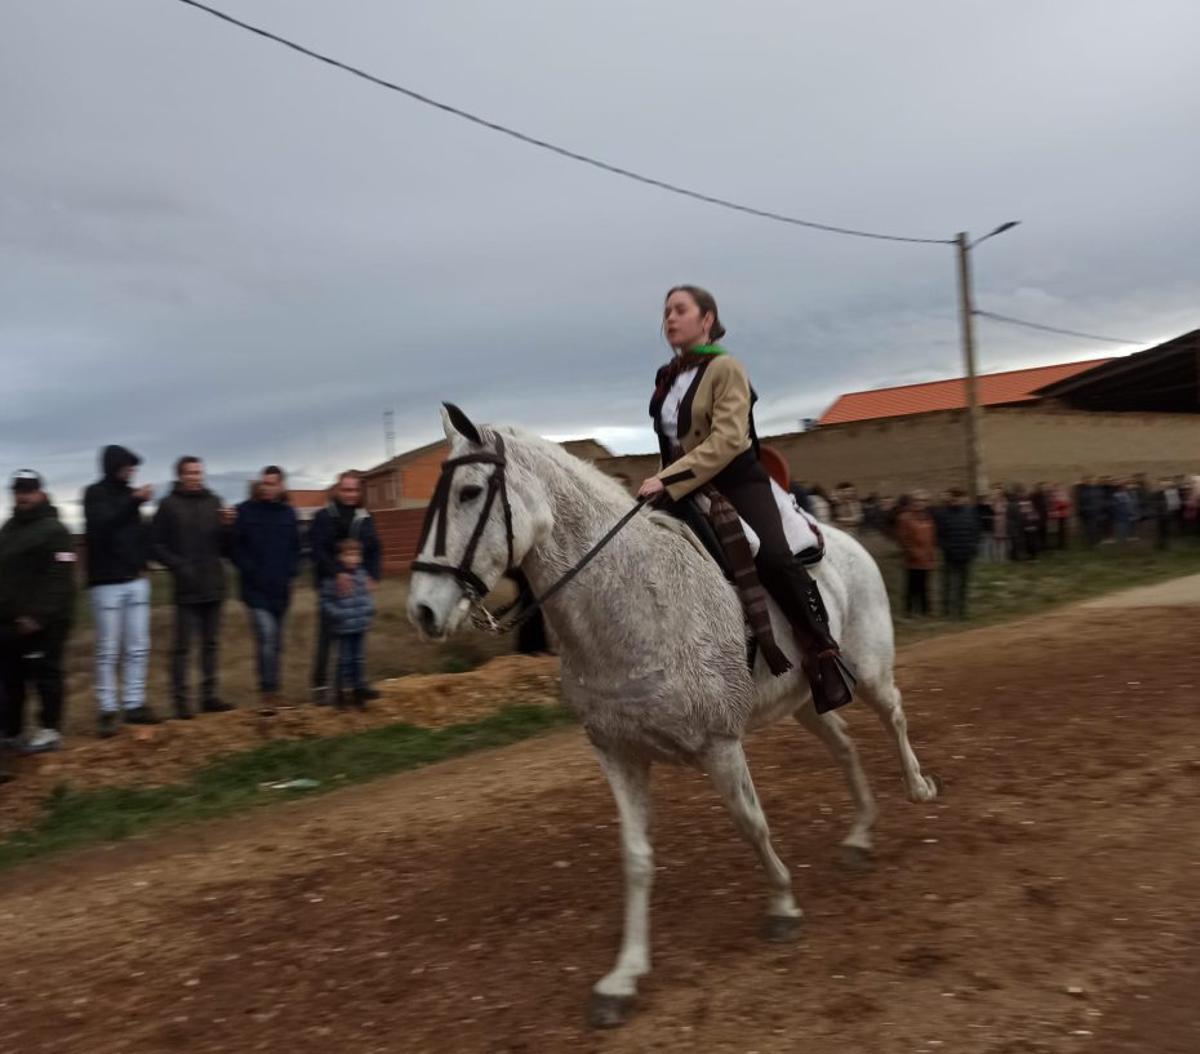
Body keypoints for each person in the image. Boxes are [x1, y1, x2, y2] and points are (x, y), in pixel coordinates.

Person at [636, 285, 853, 713]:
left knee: (773, 556)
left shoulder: (726, 368)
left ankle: (822, 652)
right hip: (680, 484)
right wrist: (662, 483)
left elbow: (730, 438)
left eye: (680, 310)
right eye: (666, 313)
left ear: (707, 320)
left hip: (737, 480)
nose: (670, 319)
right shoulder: (666, 377)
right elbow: (671, 439)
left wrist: (668, 479)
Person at [152, 456, 235, 719]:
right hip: (186, 588)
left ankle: (209, 697)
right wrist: (178, 566)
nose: (195, 477)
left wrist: (228, 527)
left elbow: (226, 547)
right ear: (179, 475)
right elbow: (155, 545)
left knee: (210, 644)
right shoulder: (168, 505)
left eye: (198, 472)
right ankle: (181, 703)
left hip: (213, 584)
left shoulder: (214, 502)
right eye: (189, 473)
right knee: (182, 647)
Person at [83, 445, 157, 736]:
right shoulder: (95, 494)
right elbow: (103, 526)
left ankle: (134, 703)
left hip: (135, 581)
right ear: (114, 465)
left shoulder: (130, 497)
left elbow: (136, 536)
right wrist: (134, 502)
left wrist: (144, 562)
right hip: (106, 584)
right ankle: (107, 710)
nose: (132, 471)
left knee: (138, 647)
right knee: (107, 650)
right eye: (128, 466)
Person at [0, 471, 76, 753]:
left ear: (41, 493)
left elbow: (61, 578)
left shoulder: (56, 531)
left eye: (29, 491)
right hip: (10, 624)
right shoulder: (9, 529)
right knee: (11, 681)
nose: (23, 496)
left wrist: (38, 616)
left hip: (45, 624)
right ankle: (11, 731)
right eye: (19, 490)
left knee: (45, 676)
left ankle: (49, 730)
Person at [233, 466, 301, 715]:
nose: (267, 487)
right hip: (255, 591)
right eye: (264, 483)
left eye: (272, 483)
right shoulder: (245, 512)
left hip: (280, 591)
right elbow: (235, 548)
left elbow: (297, 548)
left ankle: (275, 691)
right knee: (267, 636)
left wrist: (292, 572)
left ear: (281, 486)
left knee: (276, 643)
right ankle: (267, 694)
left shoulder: (288, 514)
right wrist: (250, 571)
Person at [309, 471, 382, 705]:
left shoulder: (365, 517)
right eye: (346, 489)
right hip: (331, 585)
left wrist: (373, 575)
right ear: (337, 490)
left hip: (358, 586)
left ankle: (355, 686)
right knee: (327, 638)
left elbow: (374, 548)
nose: (350, 494)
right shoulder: (323, 516)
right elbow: (318, 550)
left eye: (354, 490)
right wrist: (336, 573)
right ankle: (322, 687)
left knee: (355, 639)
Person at [319, 538, 375, 709]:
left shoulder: (362, 575)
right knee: (344, 660)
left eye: (356, 554)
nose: (353, 558)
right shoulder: (333, 579)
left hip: (359, 626)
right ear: (340, 557)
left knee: (358, 660)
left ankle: (358, 692)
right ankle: (339, 693)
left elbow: (367, 598)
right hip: (343, 627)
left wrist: (368, 611)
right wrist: (339, 614)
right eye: (348, 555)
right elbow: (325, 601)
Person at [936, 488, 980, 620]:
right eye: (954, 498)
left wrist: (973, 547)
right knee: (948, 585)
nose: (957, 500)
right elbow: (940, 536)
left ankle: (961, 612)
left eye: (960, 497)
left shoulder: (971, 512)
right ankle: (946, 612)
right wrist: (947, 549)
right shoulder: (943, 514)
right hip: (950, 556)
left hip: (966, 555)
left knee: (963, 586)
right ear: (951, 499)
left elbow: (976, 531)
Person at [894, 490, 935, 617]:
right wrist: (913, 552)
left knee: (924, 585)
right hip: (913, 558)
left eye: (923, 501)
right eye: (917, 500)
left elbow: (931, 537)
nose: (920, 503)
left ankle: (925, 610)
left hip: (926, 556)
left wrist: (930, 553)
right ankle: (909, 610)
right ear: (912, 502)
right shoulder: (905, 518)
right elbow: (903, 538)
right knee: (912, 585)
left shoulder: (927, 517)